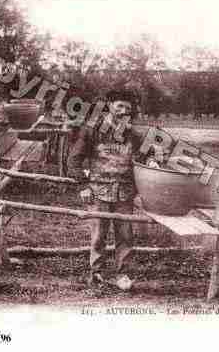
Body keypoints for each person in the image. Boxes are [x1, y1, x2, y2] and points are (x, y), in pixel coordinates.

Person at [68, 89, 148, 290]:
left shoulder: (134, 135)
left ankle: (123, 274)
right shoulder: (92, 130)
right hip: (98, 191)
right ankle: (97, 273)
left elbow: (145, 159)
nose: (123, 111)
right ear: (110, 106)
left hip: (125, 192)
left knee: (126, 235)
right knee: (98, 235)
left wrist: (152, 163)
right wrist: (83, 185)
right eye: (119, 106)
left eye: (128, 108)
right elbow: (73, 160)